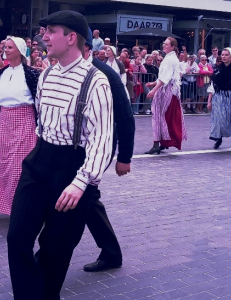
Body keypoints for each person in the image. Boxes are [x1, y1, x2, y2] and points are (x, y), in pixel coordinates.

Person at [7, 10, 113, 300]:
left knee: (56, 247)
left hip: (73, 166)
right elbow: (42, 122)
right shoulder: (47, 75)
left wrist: (82, 182)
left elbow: (101, 140)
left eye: (51, 30)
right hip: (41, 160)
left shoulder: (96, 82)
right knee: (17, 237)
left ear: (71, 37)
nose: (44, 36)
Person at [82, 28, 135, 273]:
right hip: (74, 146)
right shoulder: (68, 71)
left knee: (84, 194)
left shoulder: (105, 74)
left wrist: (124, 157)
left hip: (98, 146)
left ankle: (110, 252)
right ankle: (111, 252)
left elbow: (125, 117)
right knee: (85, 197)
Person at [0, 37, 40, 215]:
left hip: (24, 120)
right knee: (5, 165)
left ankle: (25, 207)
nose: (6, 49)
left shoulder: (31, 74)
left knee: (21, 166)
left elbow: (38, 100)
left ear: (19, 50)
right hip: (5, 121)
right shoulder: (1, 73)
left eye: (10, 47)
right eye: (5, 46)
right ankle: (10, 206)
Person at [145, 37, 187, 154]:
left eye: (167, 44)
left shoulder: (170, 59)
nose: (164, 46)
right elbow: (164, 76)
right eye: (164, 44)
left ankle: (157, 144)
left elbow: (165, 79)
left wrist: (154, 90)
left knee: (158, 115)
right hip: (167, 89)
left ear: (172, 47)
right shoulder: (170, 58)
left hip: (166, 90)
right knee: (161, 116)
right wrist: (154, 83)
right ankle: (161, 142)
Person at [207, 47, 231, 149]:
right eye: (223, 55)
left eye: (226, 55)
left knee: (228, 118)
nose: (224, 57)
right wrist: (209, 101)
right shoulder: (218, 68)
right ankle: (218, 138)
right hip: (219, 96)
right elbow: (213, 85)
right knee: (218, 118)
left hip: (229, 96)